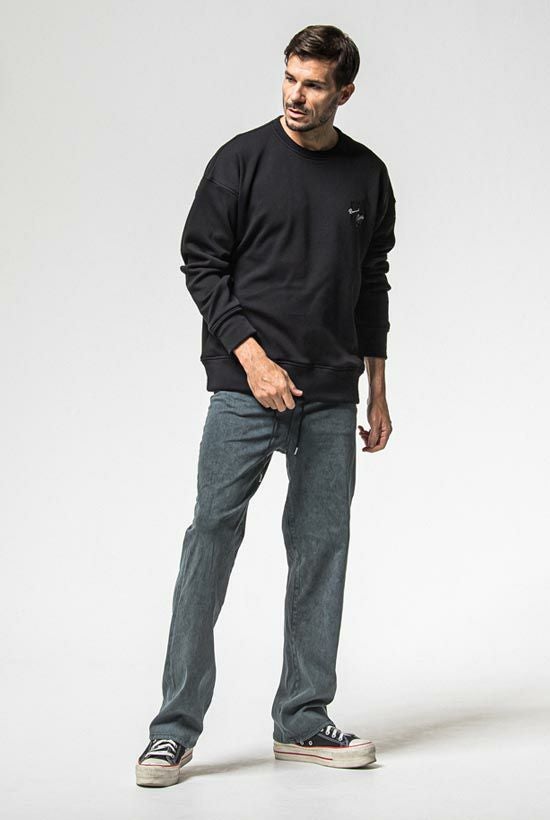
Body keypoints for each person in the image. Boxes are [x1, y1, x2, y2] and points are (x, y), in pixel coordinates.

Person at [136, 23, 396, 788]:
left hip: (330, 394)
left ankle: (303, 720)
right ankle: (173, 730)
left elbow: (372, 283)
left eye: (313, 84)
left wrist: (378, 389)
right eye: (289, 77)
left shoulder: (367, 176)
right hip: (243, 390)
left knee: (322, 551)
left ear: (345, 92)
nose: (295, 95)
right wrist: (253, 361)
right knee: (210, 542)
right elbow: (201, 264)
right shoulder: (240, 161)